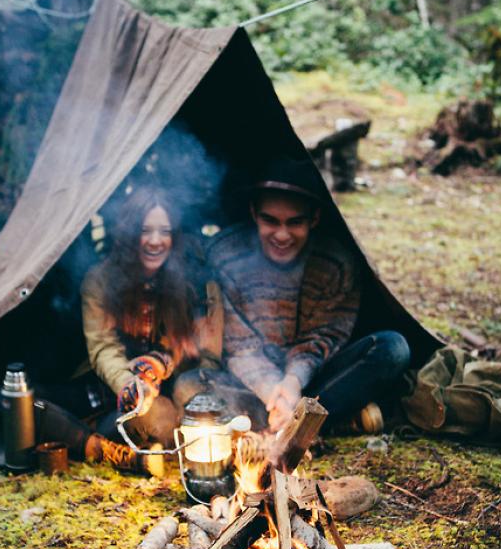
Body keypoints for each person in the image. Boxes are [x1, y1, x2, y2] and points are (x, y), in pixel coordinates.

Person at [174, 157, 410, 434]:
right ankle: (329, 423)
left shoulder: (334, 263)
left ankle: (296, 422)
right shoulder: (224, 256)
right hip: (251, 386)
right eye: (270, 221)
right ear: (254, 213)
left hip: (311, 382)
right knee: (188, 385)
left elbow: (323, 338)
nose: (282, 235)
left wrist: (293, 382)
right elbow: (239, 347)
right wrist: (272, 392)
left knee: (392, 349)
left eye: (295, 223)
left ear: (315, 219)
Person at [33, 187, 221, 461]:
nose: (155, 241)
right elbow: (102, 348)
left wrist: (157, 367)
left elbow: (193, 350)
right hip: (106, 389)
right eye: (145, 231)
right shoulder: (100, 280)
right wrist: (127, 385)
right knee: (18, 401)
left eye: (164, 232)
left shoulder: (186, 281)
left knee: (156, 421)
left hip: (160, 397)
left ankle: (88, 437)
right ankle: (103, 449)